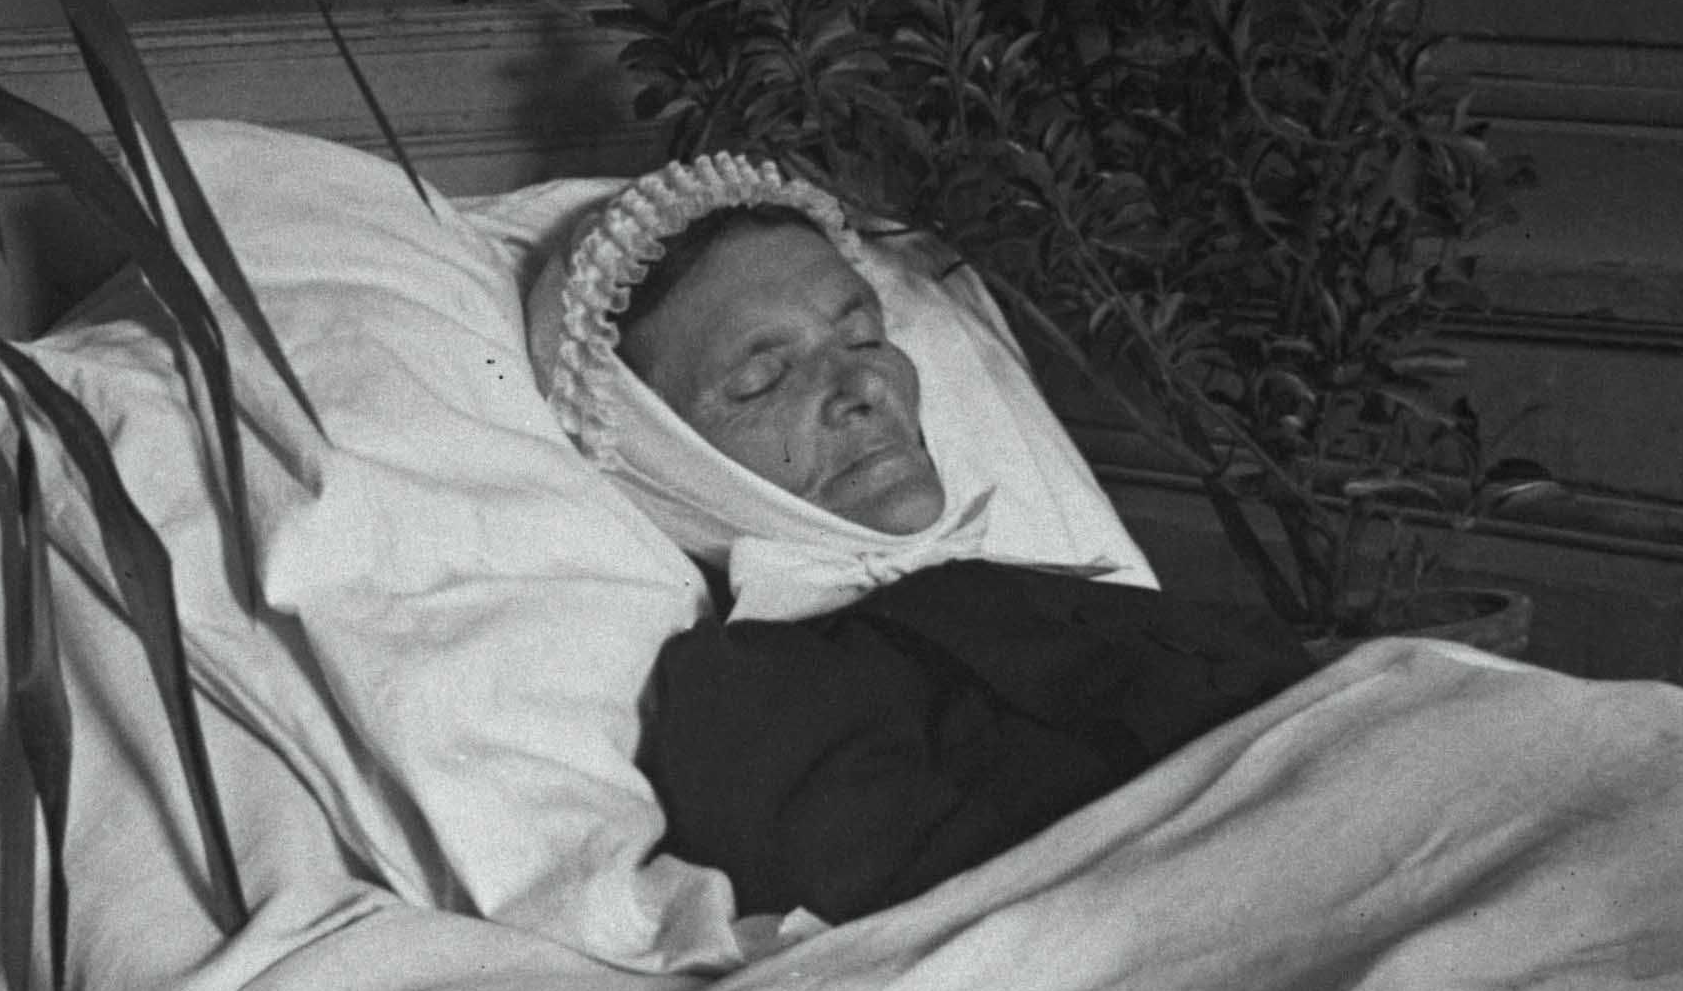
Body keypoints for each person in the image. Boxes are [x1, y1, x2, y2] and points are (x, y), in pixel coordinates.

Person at [528, 154, 1322, 925]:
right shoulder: (750, 697)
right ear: (661, 452)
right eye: (761, 380)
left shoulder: (1025, 587)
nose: (865, 387)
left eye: (864, 339)